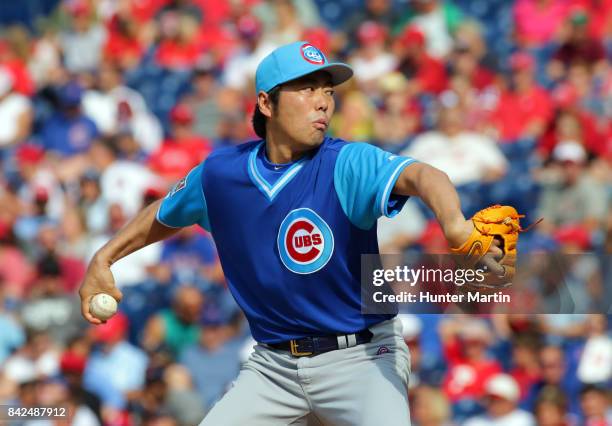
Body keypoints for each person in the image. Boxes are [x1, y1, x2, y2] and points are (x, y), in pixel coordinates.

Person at [79, 41, 503, 425]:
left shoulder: (346, 163)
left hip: (362, 356)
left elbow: (423, 175)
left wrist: (453, 222)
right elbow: (164, 213)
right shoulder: (221, 175)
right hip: (273, 367)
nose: (322, 102)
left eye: (328, 91)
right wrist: (105, 257)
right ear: (266, 102)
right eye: (306, 89)